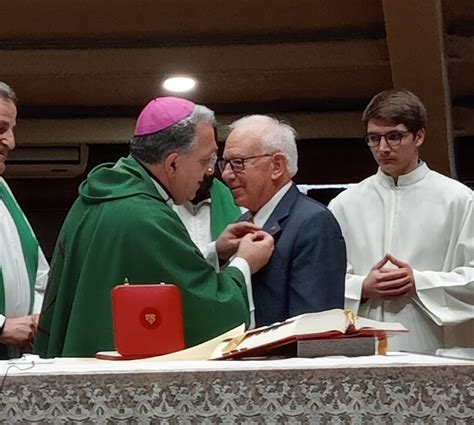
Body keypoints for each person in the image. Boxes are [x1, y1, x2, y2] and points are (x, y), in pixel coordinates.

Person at [35, 97, 274, 358]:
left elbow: (154, 269)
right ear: (172, 163)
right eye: (205, 160)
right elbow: (207, 309)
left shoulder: (100, 195)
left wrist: (216, 250)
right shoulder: (144, 216)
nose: (209, 171)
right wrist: (244, 263)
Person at [328, 89, 474, 353]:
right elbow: (322, 280)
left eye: (394, 136)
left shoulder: (459, 200)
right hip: (362, 344)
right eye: (374, 138)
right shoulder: (344, 204)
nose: (383, 148)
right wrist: (362, 286)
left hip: (433, 345)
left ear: (419, 136)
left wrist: (419, 282)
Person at [219, 115, 346, 327]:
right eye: (225, 163)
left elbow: (314, 327)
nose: (226, 174)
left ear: (277, 166)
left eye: (238, 163)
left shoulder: (313, 222)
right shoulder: (242, 222)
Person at [0, 82, 49, 359]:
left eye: (11, 129)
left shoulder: (3, 189)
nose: (11, 142)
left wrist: (37, 318)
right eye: (0, 128)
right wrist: (2, 325)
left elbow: (40, 276)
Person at [173, 174, 241, 257]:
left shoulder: (239, 205)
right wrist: (215, 250)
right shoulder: (159, 205)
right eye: (201, 162)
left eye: (211, 161)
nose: (209, 169)